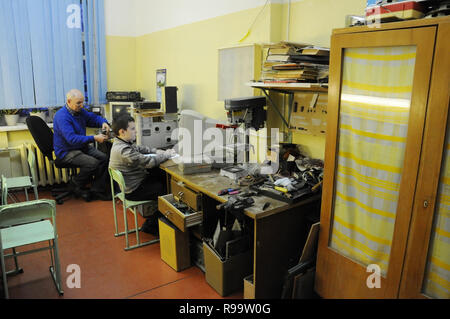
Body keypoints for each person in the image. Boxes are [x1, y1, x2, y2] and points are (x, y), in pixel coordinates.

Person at [109, 114, 174, 235]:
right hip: (134, 190)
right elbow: (149, 162)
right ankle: (152, 225)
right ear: (122, 131)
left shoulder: (120, 143)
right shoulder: (124, 151)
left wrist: (156, 151)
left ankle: (160, 220)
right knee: (169, 194)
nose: (136, 131)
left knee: (161, 175)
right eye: (132, 129)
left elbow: (140, 148)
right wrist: (167, 154)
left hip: (133, 184)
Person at [53, 89, 112, 201]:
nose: (81, 105)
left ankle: (97, 190)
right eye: (78, 103)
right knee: (93, 163)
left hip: (80, 147)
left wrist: (103, 122)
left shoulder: (79, 111)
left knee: (104, 158)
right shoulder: (62, 117)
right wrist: (94, 138)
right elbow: (72, 139)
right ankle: (74, 184)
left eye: (82, 102)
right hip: (67, 151)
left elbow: (93, 118)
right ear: (69, 101)